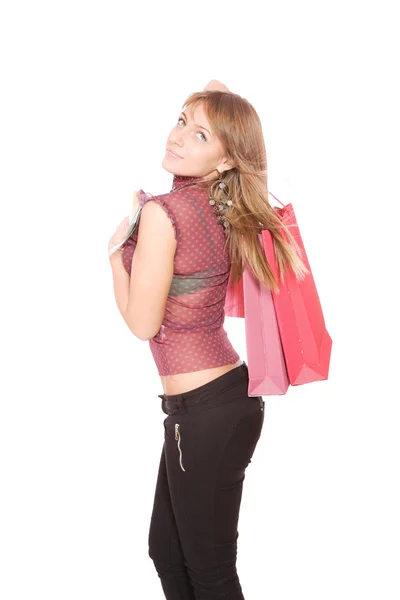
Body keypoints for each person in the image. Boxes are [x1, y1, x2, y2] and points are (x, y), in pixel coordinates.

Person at [108, 80, 308, 599]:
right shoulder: (218, 208)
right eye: (181, 121)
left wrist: (114, 257)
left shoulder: (164, 213)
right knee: (167, 552)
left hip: (205, 412)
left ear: (223, 163)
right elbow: (219, 107)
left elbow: (142, 324)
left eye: (199, 136)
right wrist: (212, 107)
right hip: (217, 404)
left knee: (209, 570)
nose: (178, 138)